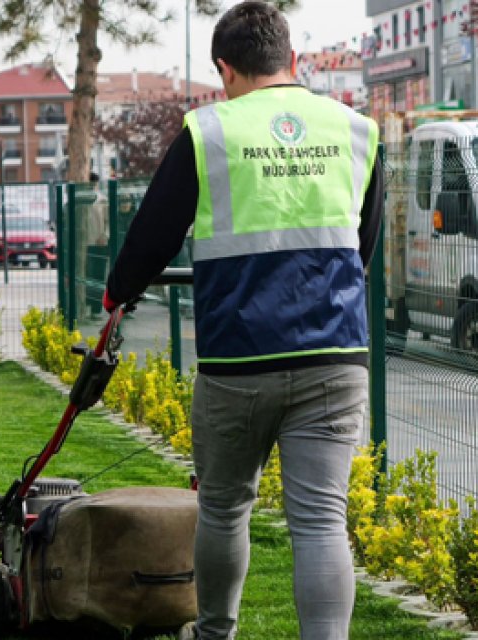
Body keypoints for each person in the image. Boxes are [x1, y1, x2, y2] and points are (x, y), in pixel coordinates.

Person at [101, 3, 383, 638]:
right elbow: (362, 244)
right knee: (321, 519)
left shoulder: (209, 132)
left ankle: (214, 633)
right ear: (292, 60)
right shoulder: (356, 130)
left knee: (225, 508)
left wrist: (118, 293)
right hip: (335, 353)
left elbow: (154, 233)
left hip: (238, 357)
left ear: (225, 68)